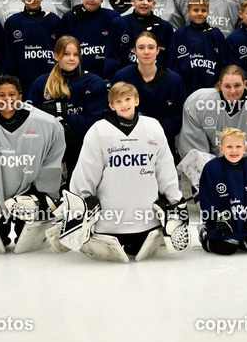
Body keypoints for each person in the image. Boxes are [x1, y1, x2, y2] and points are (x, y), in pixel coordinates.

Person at [66, 81, 185, 262]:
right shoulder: (99, 131)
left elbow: (165, 168)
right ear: (111, 105)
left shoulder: (153, 127)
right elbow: (86, 171)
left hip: (146, 222)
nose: (124, 104)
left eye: (128, 99)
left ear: (137, 100)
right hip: (108, 223)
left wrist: (175, 200)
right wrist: (80, 204)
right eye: (118, 101)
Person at [0, 75, 66, 252]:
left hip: (28, 194)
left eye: (12, 94)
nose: (7, 99)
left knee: (26, 242)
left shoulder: (47, 124)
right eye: (2, 95)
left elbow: (51, 163)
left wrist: (41, 195)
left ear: (20, 97)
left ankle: (33, 207)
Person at [28, 35, 107, 182]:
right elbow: (31, 122)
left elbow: (92, 124)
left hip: (82, 149)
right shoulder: (41, 83)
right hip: (48, 151)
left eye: (76, 55)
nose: (72, 59)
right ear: (56, 56)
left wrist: (59, 114)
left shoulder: (94, 83)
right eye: (66, 54)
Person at [177, 66, 247, 160]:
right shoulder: (198, 103)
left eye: (237, 85)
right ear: (220, 85)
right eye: (227, 86)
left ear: (245, 84)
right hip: (212, 167)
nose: (233, 91)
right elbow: (194, 155)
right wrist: (216, 169)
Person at [109, 31, 187, 153]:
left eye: (151, 47)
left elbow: (177, 118)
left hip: (162, 144)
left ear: (158, 51)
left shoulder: (174, 81)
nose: (146, 52)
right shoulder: (122, 77)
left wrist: (153, 132)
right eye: (141, 48)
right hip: (128, 144)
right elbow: (114, 113)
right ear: (135, 51)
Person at [197, 128, 247, 256]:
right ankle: (205, 235)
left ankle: (240, 240)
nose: (234, 151)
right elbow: (207, 197)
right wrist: (218, 217)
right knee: (227, 247)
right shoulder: (212, 167)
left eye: (238, 146)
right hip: (222, 223)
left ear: (244, 148)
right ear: (221, 149)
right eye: (229, 147)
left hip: (244, 223)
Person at [3, 0, 64, 91]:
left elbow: (61, 52)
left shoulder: (54, 20)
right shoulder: (13, 22)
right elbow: (8, 56)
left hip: (50, 81)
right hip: (23, 81)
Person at [105, 0, 174, 77]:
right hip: (126, 80)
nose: (144, 3)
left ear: (154, 3)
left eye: (148, 0)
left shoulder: (165, 27)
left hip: (156, 80)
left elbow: (169, 59)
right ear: (133, 2)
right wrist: (115, 80)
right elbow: (112, 56)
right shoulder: (118, 24)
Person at [170, 0, 226, 94]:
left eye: (203, 10)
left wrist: (221, 80)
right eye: (196, 10)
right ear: (188, 12)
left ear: (208, 12)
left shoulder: (216, 34)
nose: (200, 13)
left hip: (211, 87)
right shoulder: (180, 33)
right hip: (185, 87)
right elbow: (172, 63)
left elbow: (223, 62)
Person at [61, 0, 119, 75]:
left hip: (106, 74)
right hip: (78, 73)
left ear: (102, 0)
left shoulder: (112, 17)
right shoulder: (69, 18)